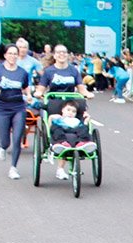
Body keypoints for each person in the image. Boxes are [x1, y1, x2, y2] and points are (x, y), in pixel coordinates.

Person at [35, 44, 93, 180]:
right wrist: (38, 93)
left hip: (71, 103)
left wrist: (87, 94)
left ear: (67, 55)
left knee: (81, 123)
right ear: (54, 55)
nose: (61, 54)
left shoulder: (73, 70)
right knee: (58, 126)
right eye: (59, 52)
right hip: (55, 103)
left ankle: (83, 143)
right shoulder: (49, 71)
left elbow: (80, 87)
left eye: (64, 52)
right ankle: (58, 152)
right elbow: (41, 88)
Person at [0, 44, 30, 179]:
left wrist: (28, 95)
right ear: (5, 55)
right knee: (5, 141)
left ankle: (13, 168)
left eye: (15, 54)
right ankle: (3, 147)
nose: (12, 56)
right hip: (2, 107)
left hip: (18, 107)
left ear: (18, 56)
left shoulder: (22, 72)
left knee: (17, 139)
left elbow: (25, 87)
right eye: (10, 53)